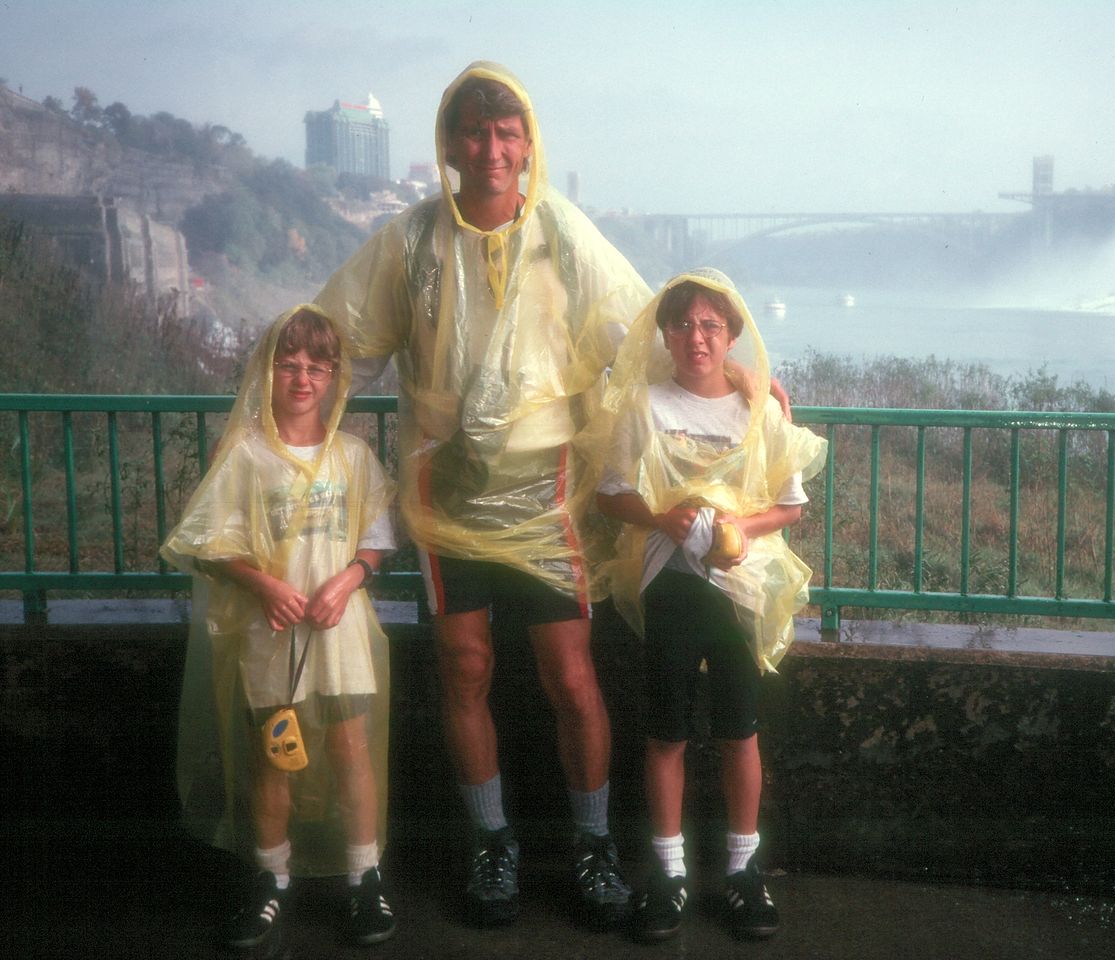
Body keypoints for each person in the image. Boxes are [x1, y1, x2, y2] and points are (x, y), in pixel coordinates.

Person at [312, 61, 654, 929]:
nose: (491, 148)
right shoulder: (414, 242)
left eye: (506, 133)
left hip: (547, 498)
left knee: (571, 678)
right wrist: (285, 417)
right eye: (475, 130)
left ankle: (592, 844)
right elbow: (343, 339)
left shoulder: (563, 236)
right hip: (447, 497)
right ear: (450, 142)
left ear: (528, 143)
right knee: (465, 668)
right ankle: (492, 842)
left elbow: (640, 324)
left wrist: (736, 377)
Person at [586, 269, 827, 941]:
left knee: (738, 729)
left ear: (732, 335)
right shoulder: (643, 406)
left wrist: (739, 533)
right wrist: (665, 520)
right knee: (665, 732)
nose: (697, 337)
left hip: (740, 589)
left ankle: (743, 875)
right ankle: (668, 875)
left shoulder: (760, 409)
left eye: (711, 326)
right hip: (670, 584)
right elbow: (610, 495)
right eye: (684, 324)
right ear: (665, 333)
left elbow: (791, 504)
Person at [163, 305, 398, 952]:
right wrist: (263, 584)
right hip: (272, 633)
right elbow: (208, 543)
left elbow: (377, 540)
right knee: (275, 758)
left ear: (334, 377)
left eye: (317, 368)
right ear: (267, 372)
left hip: (340, 627)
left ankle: (363, 873)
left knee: (351, 748)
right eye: (288, 365)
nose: (302, 378)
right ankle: (271, 880)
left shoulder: (352, 455)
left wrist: (347, 580)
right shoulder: (242, 454)